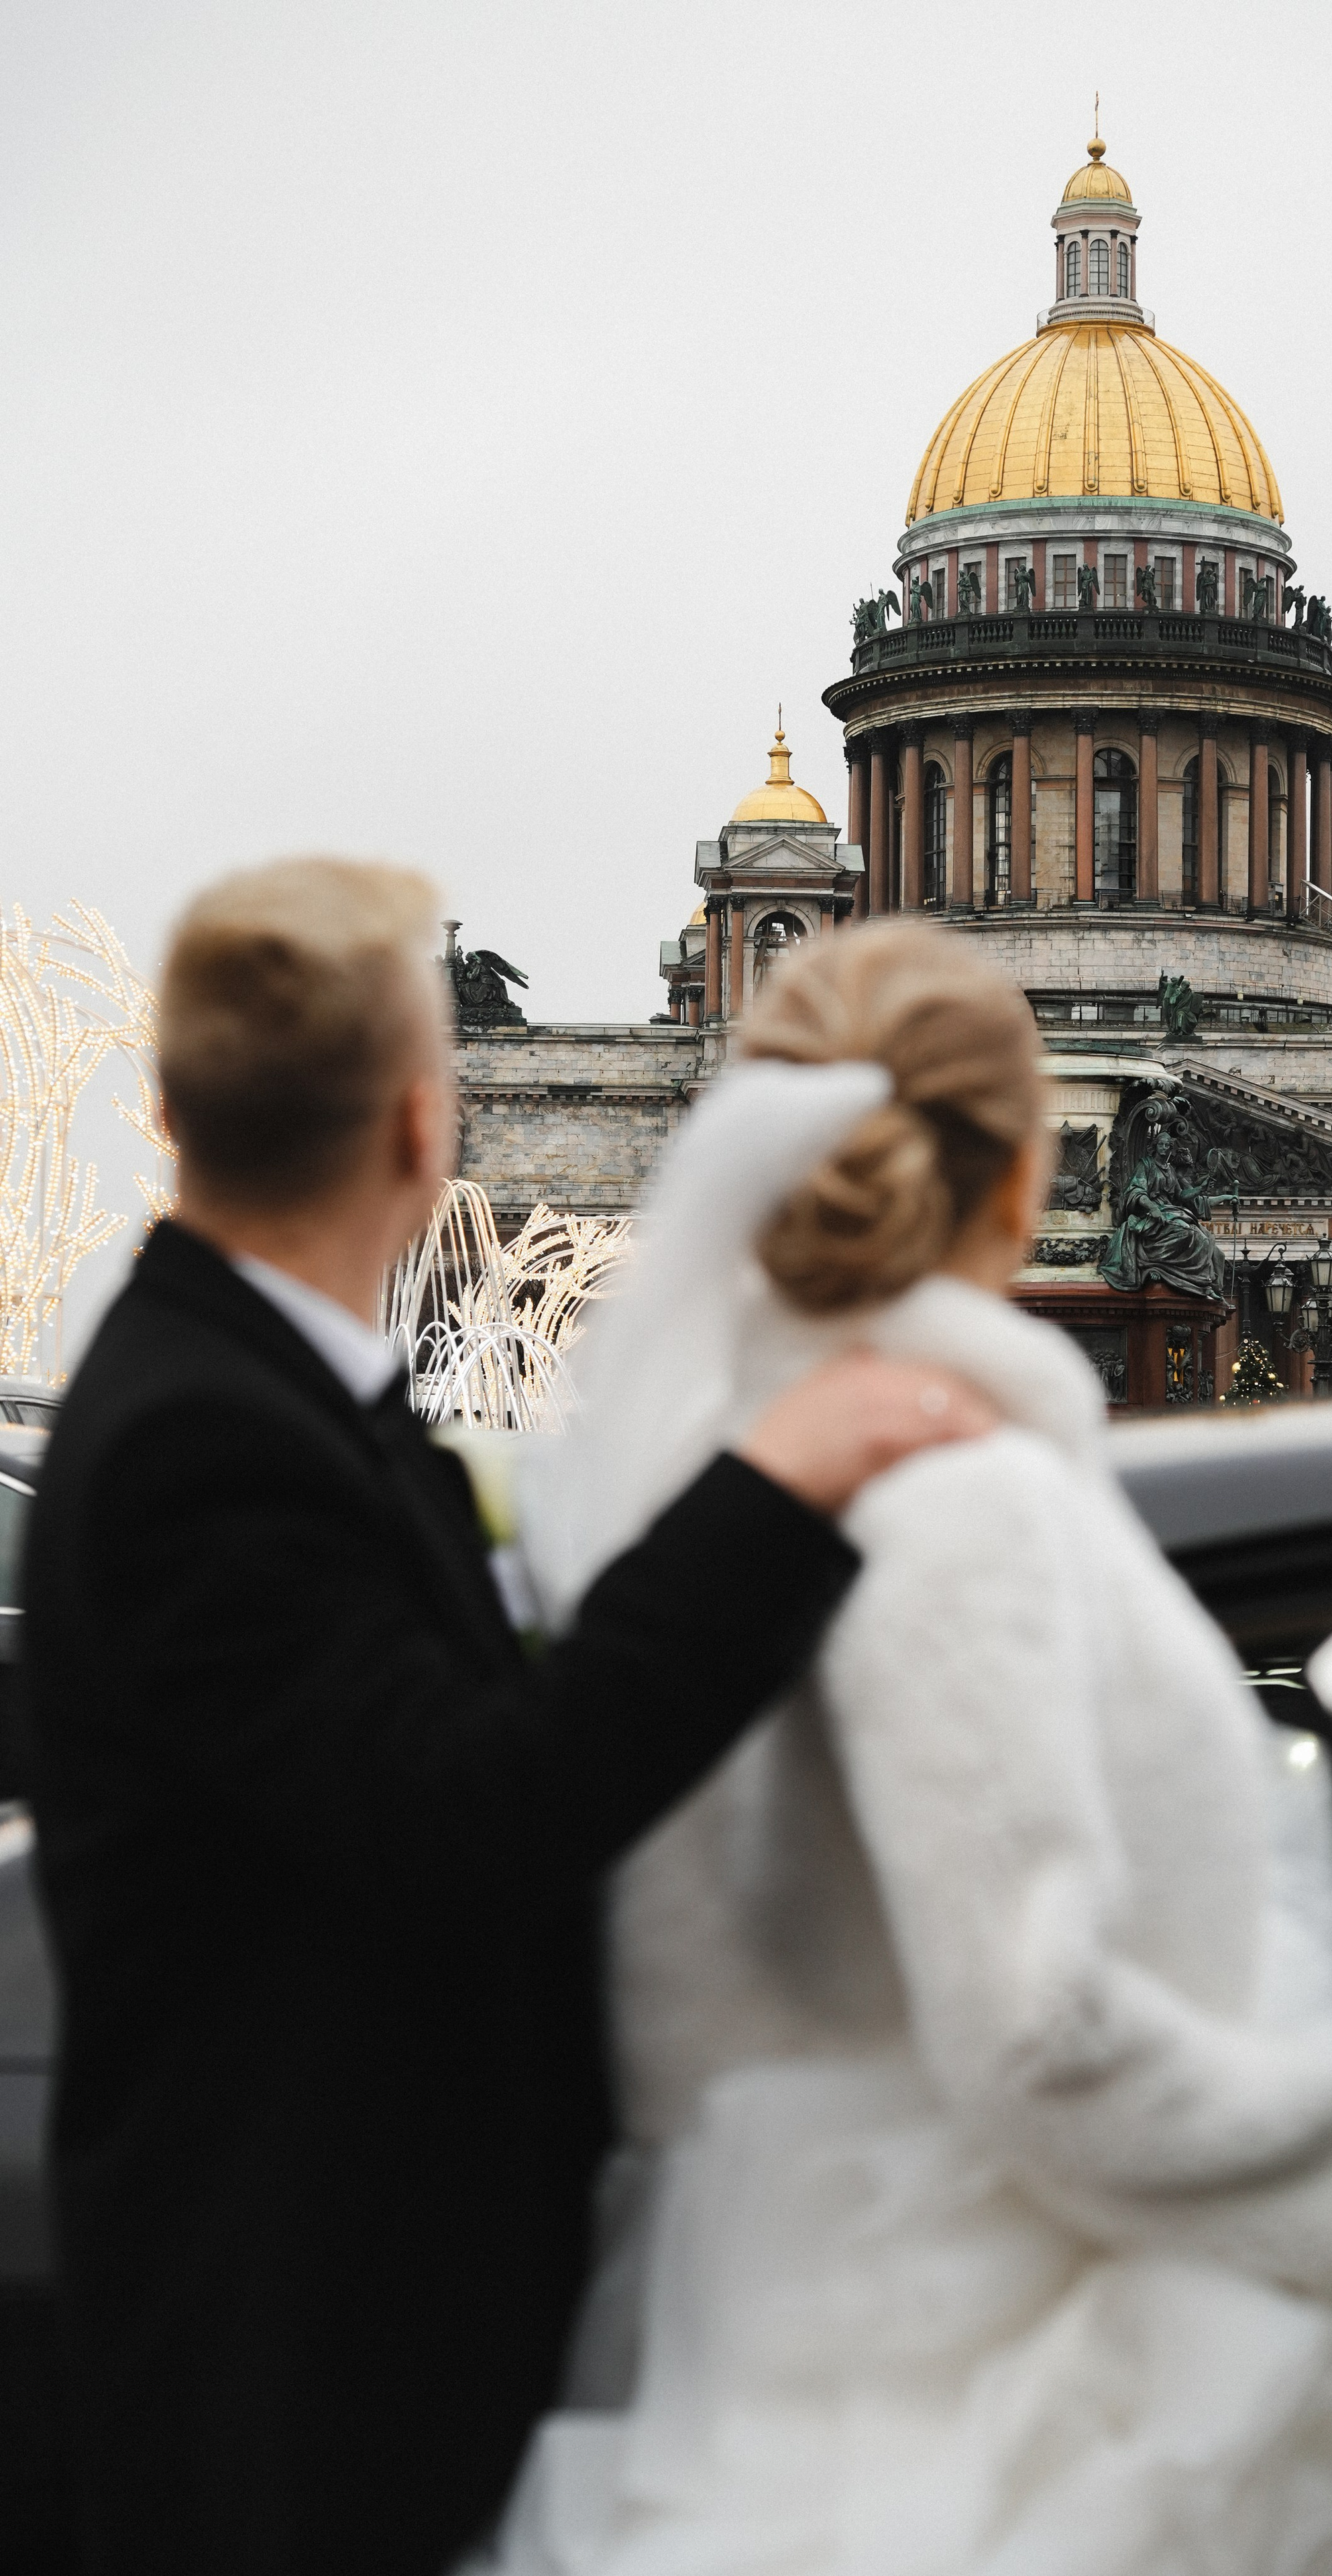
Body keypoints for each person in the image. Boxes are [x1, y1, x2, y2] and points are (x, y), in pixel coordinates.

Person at [474, 919, 1332, 2576]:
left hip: (811, 2380)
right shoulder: (958, 1505)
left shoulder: (732, 1507)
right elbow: (1036, 2041)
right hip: (1012, 2419)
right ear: (1023, 1173)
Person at [22, 859, 995, 2576]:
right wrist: (767, 1492)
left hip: (351, 2332)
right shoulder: (208, 1444)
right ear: (422, 1126)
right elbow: (472, 1818)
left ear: (168, 1108)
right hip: (304, 2373)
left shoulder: (256, 1398)